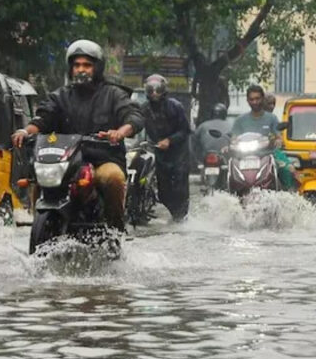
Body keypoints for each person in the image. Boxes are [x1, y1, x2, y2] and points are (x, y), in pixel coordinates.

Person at [11, 39, 143, 233]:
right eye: (77, 65)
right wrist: (25, 131)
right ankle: (39, 221)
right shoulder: (60, 96)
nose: (81, 69)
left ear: (97, 68)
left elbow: (133, 116)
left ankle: (115, 230)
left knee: (113, 178)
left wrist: (120, 132)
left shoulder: (113, 94)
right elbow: (42, 119)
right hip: (65, 162)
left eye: (87, 65)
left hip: (102, 160)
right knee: (40, 179)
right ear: (71, 68)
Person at [140, 73, 192, 222]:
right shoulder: (144, 109)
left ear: (163, 90)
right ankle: (175, 214)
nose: (154, 94)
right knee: (163, 192)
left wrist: (170, 140)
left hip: (179, 153)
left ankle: (181, 218)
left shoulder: (175, 106)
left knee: (180, 189)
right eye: (151, 90)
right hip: (160, 153)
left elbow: (185, 130)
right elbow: (137, 125)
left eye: (157, 90)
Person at [231, 84, 297, 190]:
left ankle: (289, 194)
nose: (255, 102)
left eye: (257, 99)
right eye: (252, 99)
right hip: (243, 157)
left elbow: (278, 136)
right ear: (247, 101)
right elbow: (234, 138)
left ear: (262, 99)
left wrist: (277, 140)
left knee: (287, 169)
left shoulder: (272, 118)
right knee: (227, 168)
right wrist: (230, 144)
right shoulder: (240, 120)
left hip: (268, 154)